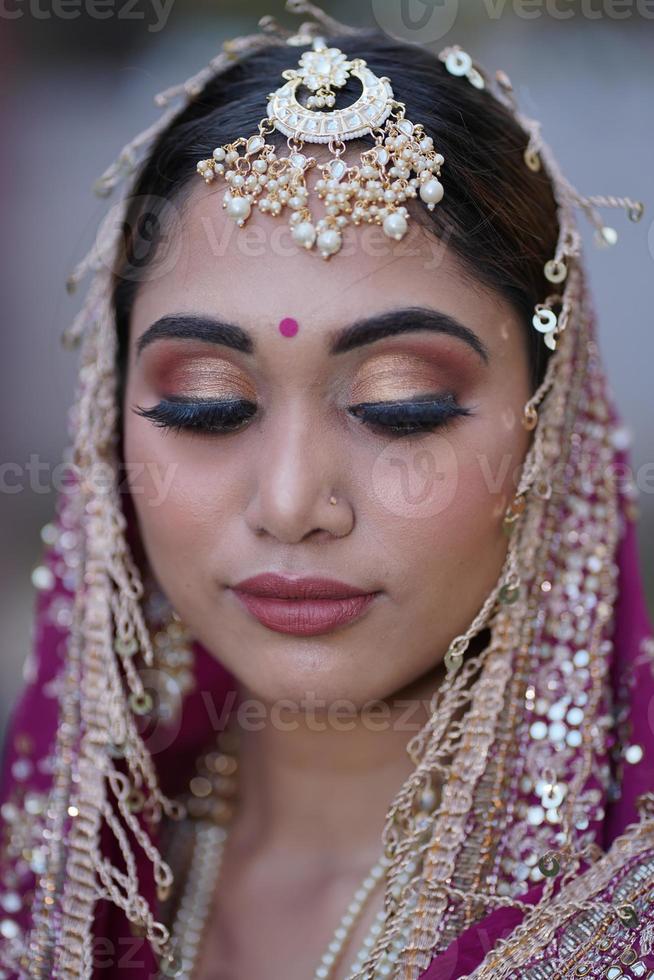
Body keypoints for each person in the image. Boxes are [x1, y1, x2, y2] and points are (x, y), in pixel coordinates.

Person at [1, 1, 653, 977]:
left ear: (548, 431)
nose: (295, 500)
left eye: (403, 403)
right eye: (207, 404)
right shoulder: (49, 877)